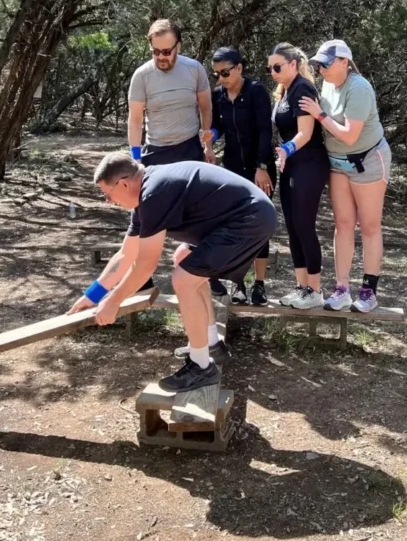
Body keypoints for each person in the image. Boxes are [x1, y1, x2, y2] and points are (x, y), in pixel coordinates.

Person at [68, 154, 278, 391]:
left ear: (124, 183)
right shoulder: (146, 196)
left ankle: (201, 367)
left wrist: (114, 301)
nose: (108, 201)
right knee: (183, 259)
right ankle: (210, 345)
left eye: (107, 194)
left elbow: (145, 265)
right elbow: (126, 255)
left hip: (250, 219)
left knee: (184, 280)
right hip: (243, 218)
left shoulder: (154, 194)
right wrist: (93, 296)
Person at [300, 38, 391, 313]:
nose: (322, 69)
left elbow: (350, 136)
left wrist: (319, 116)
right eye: (318, 64)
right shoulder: (328, 83)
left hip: (368, 160)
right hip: (338, 162)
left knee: (370, 225)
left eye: (326, 64)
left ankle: (369, 291)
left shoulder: (359, 88)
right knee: (343, 223)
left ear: (344, 62)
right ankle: (341, 289)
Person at [127, 18, 214, 289]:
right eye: (156, 52)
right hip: (156, 151)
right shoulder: (142, 75)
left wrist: (207, 142)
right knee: (143, 216)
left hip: (189, 148)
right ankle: (141, 280)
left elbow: (206, 107)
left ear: (179, 45)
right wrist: (135, 157)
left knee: (197, 213)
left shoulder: (194, 69)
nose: (161, 57)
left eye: (167, 51)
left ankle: (201, 272)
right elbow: (135, 120)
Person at [205, 47, 276, 305]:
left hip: (259, 168)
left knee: (260, 225)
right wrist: (210, 137)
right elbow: (218, 127)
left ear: (239, 68)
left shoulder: (256, 91)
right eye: (216, 74)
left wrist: (262, 166)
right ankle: (239, 285)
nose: (221, 78)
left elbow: (265, 131)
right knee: (235, 226)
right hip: (233, 168)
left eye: (225, 72)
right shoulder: (218, 96)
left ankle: (259, 284)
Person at [269, 42, 330, 309]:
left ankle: (315, 290)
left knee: (304, 225)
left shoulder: (303, 88)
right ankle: (301, 287)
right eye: (270, 67)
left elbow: (305, 133)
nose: (273, 71)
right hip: (291, 164)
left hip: (309, 164)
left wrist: (285, 148)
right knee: (293, 227)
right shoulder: (284, 90)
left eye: (278, 66)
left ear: (293, 64)